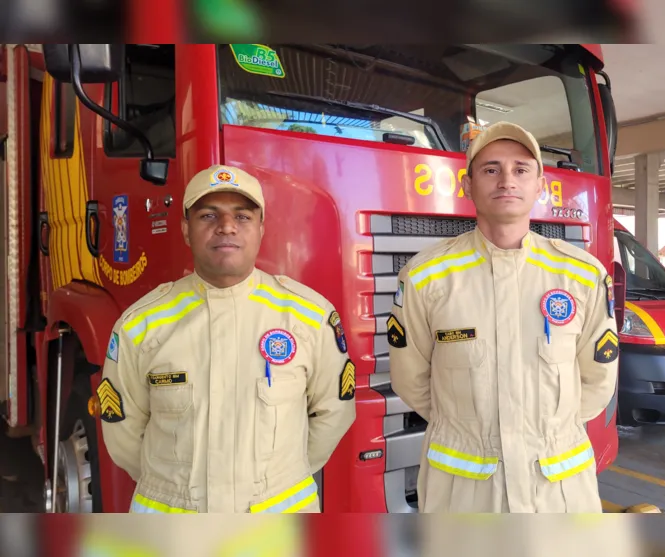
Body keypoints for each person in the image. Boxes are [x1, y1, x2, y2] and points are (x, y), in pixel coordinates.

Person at [388, 121, 619, 513]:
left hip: (557, 489)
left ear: (540, 185)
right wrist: (471, 431)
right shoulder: (425, 276)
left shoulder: (583, 275)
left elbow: (597, 382)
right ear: (467, 185)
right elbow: (412, 382)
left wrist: (541, 434)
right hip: (464, 494)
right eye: (491, 169)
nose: (506, 180)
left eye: (521, 169)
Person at [97, 164, 356, 513]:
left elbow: (333, 413)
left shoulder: (309, 316)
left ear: (261, 229)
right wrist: (177, 489)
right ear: (186, 230)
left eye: (243, 216)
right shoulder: (141, 325)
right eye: (208, 215)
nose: (227, 226)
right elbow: (123, 432)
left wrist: (277, 478)